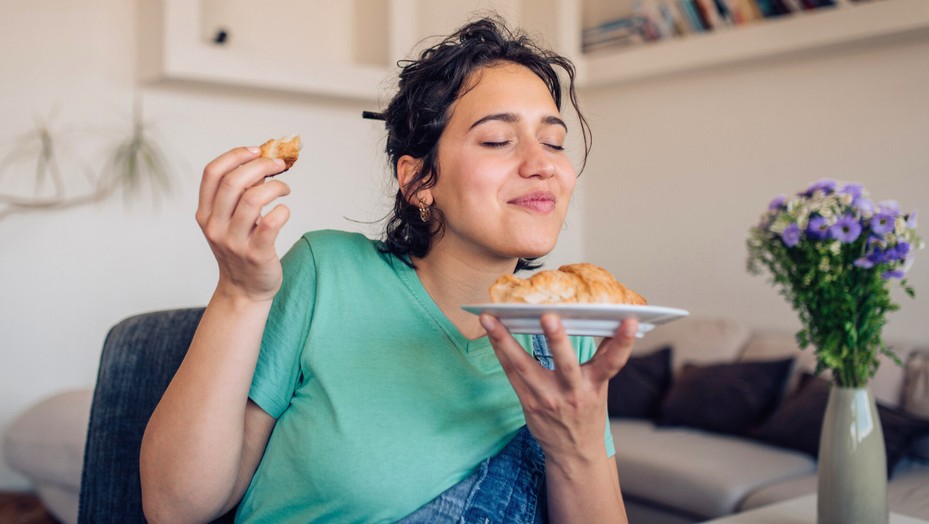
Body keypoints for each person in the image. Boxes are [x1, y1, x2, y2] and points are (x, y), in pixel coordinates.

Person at [140, 16, 636, 523]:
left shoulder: (565, 326)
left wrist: (579, 452)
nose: (543, 164)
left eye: (554, 142)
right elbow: (175, 508)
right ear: (419, 180)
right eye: (496, 140)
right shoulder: (327, 274)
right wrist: (239, 294)